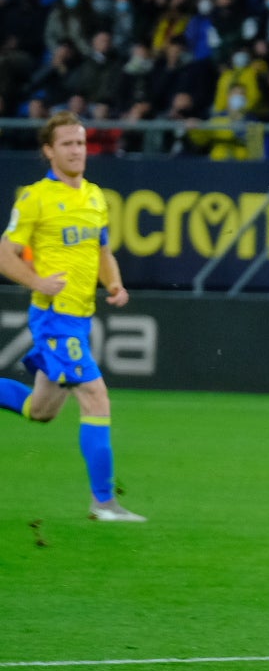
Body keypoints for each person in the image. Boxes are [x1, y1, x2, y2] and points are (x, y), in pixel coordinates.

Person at [0, 112, 146, 522]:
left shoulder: (96, 197)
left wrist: (114, 284)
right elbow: (4, 254)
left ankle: (104, 503)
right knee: (95, 396)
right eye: (67, 144)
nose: (77, 151)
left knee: (40, 410)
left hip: (79, 317)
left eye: (80, 143)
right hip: (54, 318)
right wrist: (37, 281)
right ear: (49, 151)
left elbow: (102, 251)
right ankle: (104, 503)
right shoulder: (34, 198)